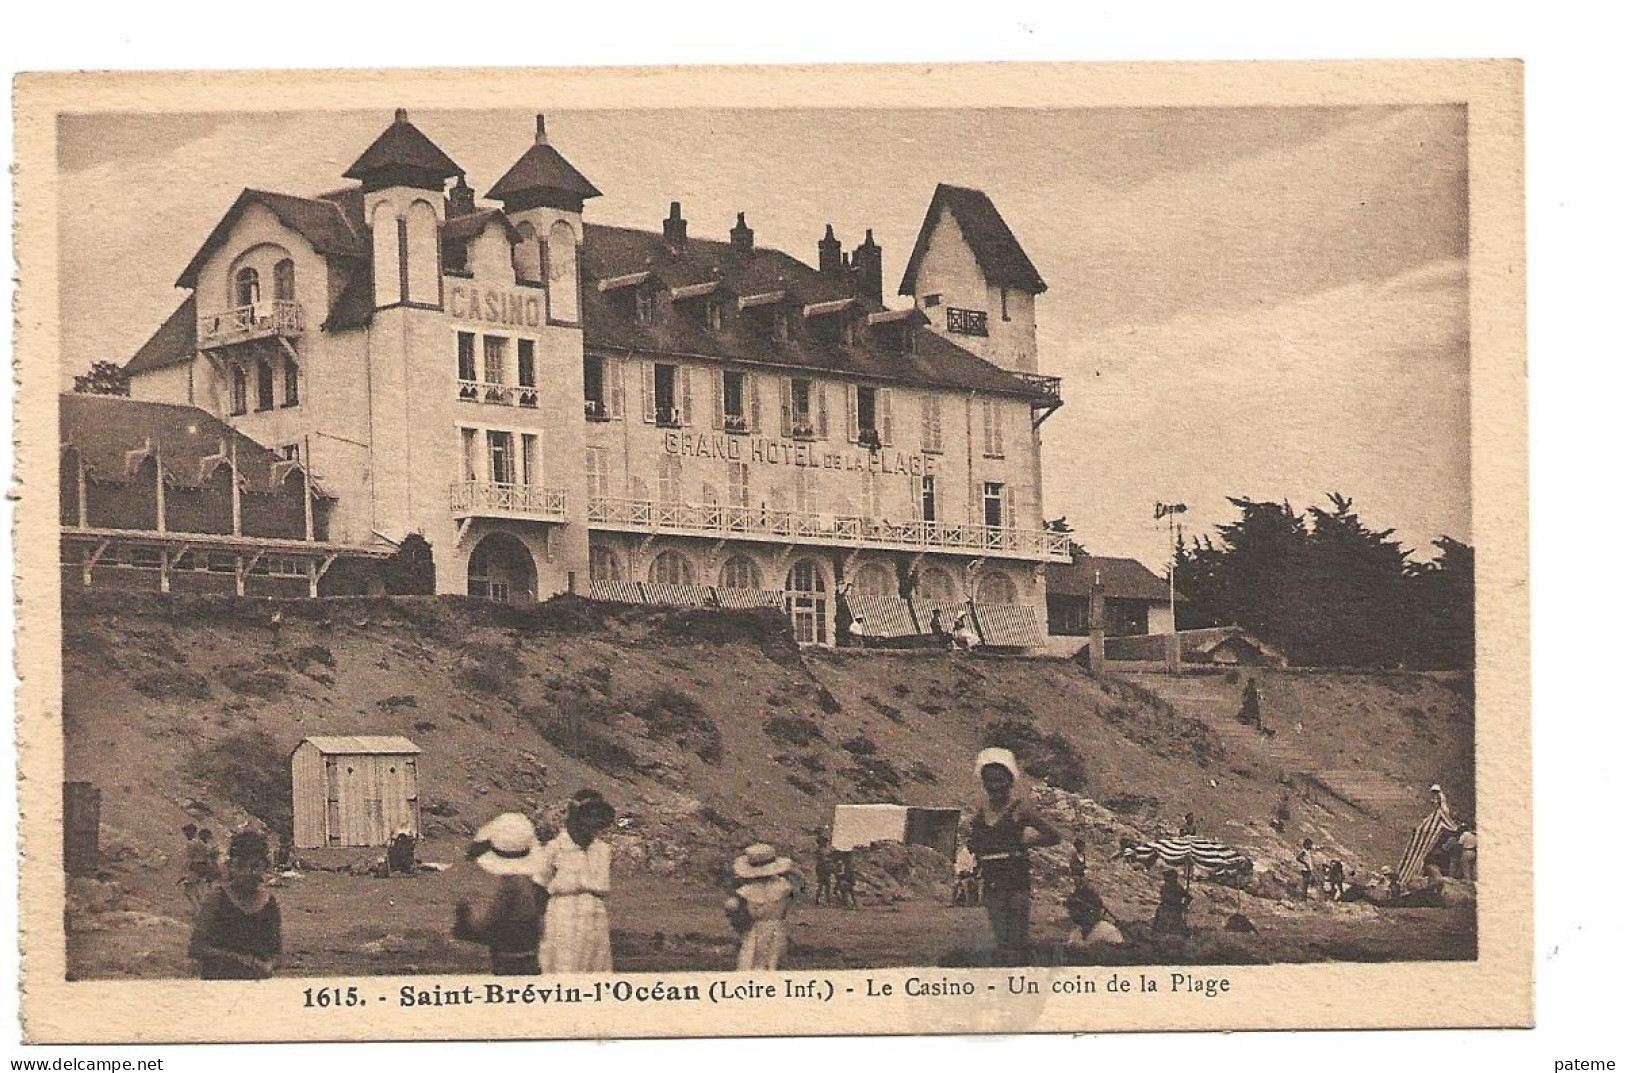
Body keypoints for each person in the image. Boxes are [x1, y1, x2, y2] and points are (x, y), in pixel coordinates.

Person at [966, 747, 1061, 966]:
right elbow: (975, 840)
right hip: (991, 877)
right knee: (1000, 935)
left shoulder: (1021, 809)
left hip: (1015, 876)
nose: (994, 786)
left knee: (1017, 935)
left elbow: (1054, 835)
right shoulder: (980, 812)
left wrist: (1027, 841)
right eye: (989, 781)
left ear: (1010, 781)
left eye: (999, 780)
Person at [453, 812, 546, 975]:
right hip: (531, 954)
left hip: (510, 960)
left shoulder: (510, 886)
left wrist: (464, 921)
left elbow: (491, 923)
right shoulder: (532, 883)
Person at [534, 790, 616, 974]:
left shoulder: (603, 850)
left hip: (596, 918)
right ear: (576, 818)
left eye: (598, 818)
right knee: (565, 970)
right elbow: (539, 887)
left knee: (596, 972)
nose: (593, 824)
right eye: (588, 816)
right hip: (564, 918)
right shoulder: (555, 848)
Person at [187, 829, 281, 979]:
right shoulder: (217, 898)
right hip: (220, 983)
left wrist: (269, 964)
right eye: (244, 866)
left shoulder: (269, 903)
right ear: (233, 866)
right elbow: (196, 948)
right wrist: (237, 959)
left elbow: (276, 952)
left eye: (258, 867)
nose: (252, 873)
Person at [725, 843, 798, 971]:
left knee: (751, 961)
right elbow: (788, 905)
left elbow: (732, 907)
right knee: (774, 960)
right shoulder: (784, 888)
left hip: (755, 930)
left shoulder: (747, 891)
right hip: (777, 928)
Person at [1151, 869, 1192, 935]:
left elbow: (1189, 897)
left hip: (1175, 909)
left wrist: (1184, 905)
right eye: (1165, 876)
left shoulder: (1178, 888)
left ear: (1173, 878)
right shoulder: (1164, 887)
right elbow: (1163, 897)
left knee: (1174, 928)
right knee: (1159, 924)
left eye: (1168, 876)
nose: (1165, 878)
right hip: (1165, 908)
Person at [812, 831, 834, 906]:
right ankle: (818, 900)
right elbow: (823, 859)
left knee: (827, 885)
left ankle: (826, 899)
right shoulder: (819, 850)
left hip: (826, 869)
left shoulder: (826, 850)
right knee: (821, 885)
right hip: (822, 868)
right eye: (823, 841)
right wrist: (830, 859)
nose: (825, 843)